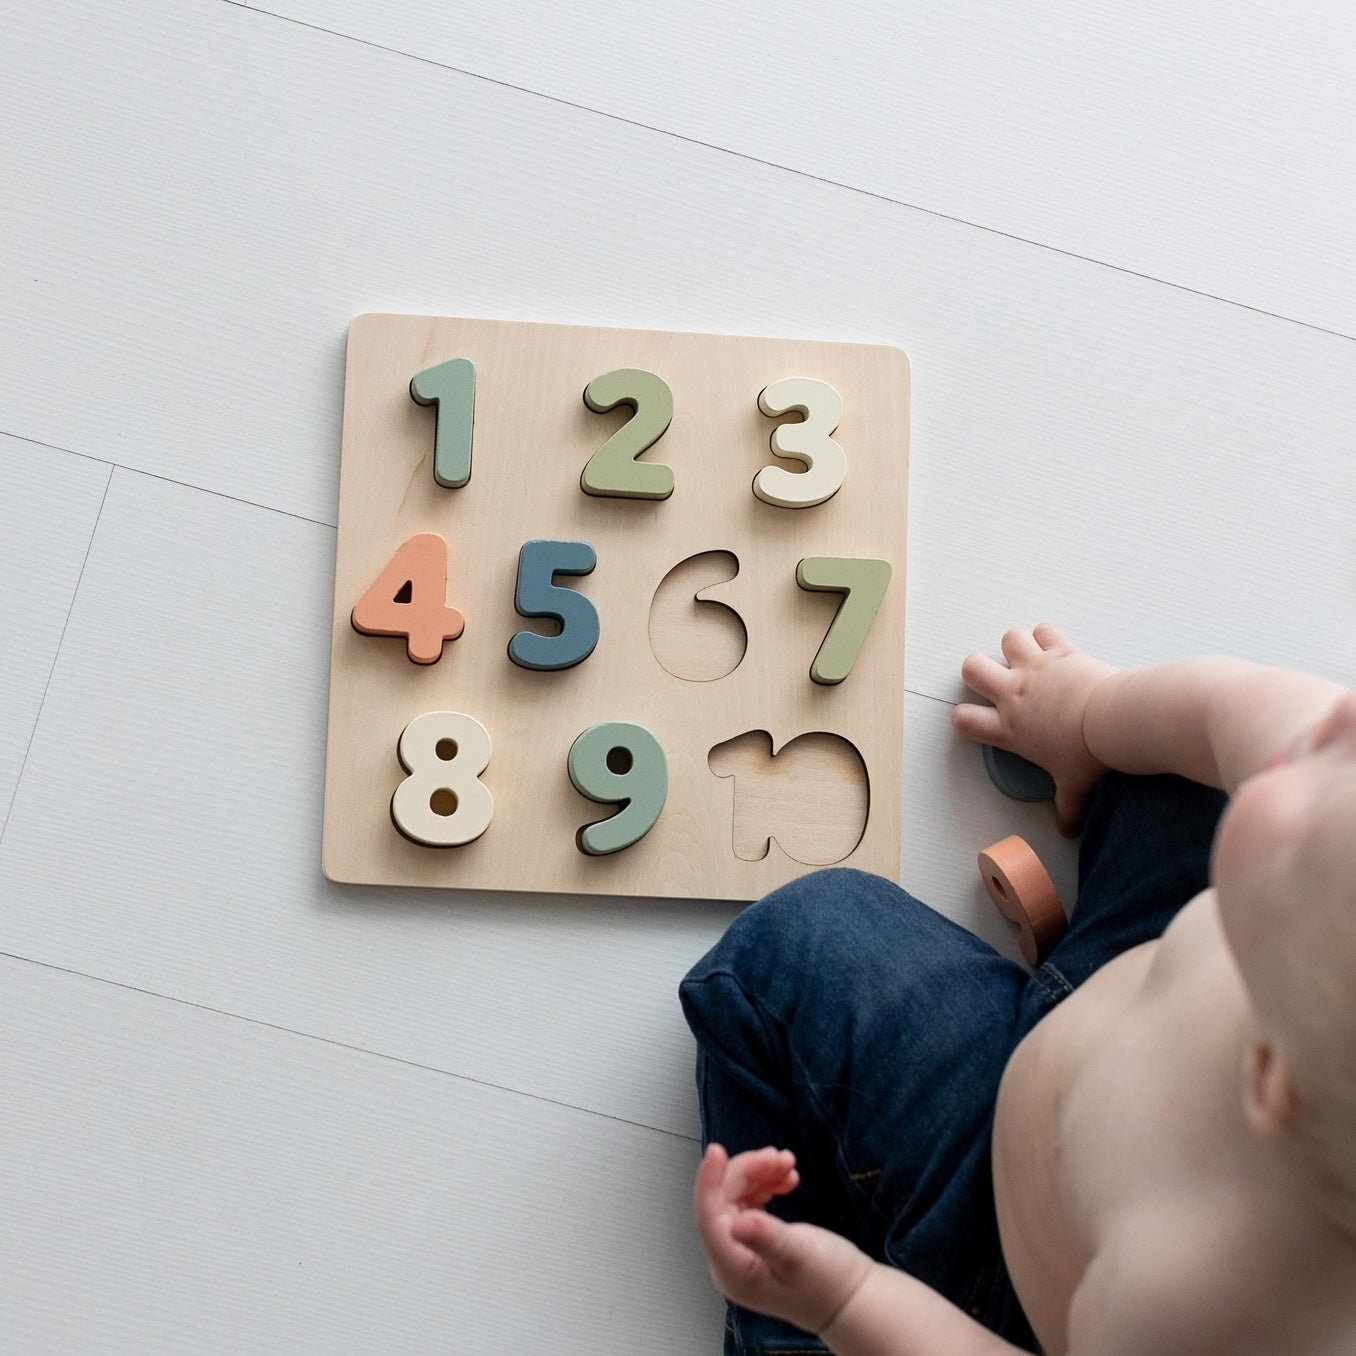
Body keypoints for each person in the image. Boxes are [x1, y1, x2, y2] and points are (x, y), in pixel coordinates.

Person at [680, 622, 1356, 1354]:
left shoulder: (1186, 1306)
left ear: (1270, 1076)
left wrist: (847, 1299)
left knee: (791, 949)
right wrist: (1092, 710)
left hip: (1004, 1209)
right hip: (1147, 965)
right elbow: (1229, 702)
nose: (1343, 722)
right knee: (1184, 767)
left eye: (1324, 772)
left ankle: (782, 1323)